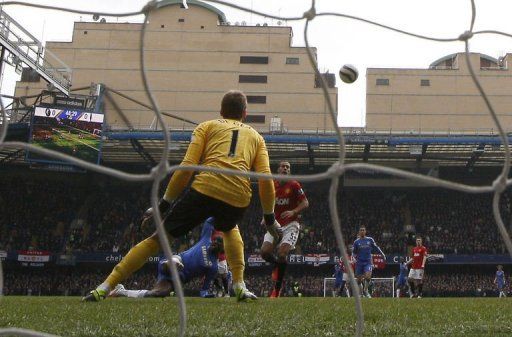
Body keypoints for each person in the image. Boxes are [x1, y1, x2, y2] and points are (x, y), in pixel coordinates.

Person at [83, 90, 279, 302]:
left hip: (206, 187)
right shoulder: (257, 137)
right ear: (245, 113)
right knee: (231, 229)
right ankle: (240, 286)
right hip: (238, 195)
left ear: (221, 112)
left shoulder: (207, 126)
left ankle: (105, 287)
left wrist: (163, 206)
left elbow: (186, 168)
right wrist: (269, 219)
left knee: (157, 240)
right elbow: (266, 180)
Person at [109, 218, 222, 299]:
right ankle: (171, 263)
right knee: (175, 261)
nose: (214, 243)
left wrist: (206, 295)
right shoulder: (206, 240)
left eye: (218, 243)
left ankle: (121, 291)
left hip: (178, 278)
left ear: (222, 250)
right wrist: (222, 215)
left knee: (157, 294)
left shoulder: (213, 266)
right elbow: (209, 221)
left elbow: (204, 289)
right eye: (215, 240)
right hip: (176, 260)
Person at [260, 161, 309, 298]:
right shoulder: (272, 184)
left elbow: (305, 203)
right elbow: (268, 203)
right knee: (264, 253)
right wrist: (265, 216)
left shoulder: (294, 185)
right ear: (278, 169)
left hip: (291, 224)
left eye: (288, 167)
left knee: (282, 254)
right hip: (275, 223)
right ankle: (277, 266)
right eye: (283, 166)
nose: (285, 168)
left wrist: (293, 211)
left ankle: (277, 289)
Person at [352, 226, 386, 298]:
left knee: (368, 277)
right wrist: (354, 258)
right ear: (359, 232)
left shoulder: (370, 240)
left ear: (365, 231)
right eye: (361, 230)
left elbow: (376, 247)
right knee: (359, 280)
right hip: (359, 262)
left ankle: (365, 291)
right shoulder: (356, 242)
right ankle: (361, 294)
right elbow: (353, 253)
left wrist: (382, 254)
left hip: (367, 262)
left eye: (363, 230)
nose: (362, 231)